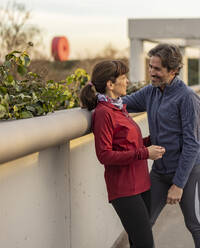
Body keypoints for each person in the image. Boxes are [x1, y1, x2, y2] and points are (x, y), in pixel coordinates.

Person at [123, 44, 200, 248]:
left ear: (173, 71)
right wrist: (96, 101)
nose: (151, 73)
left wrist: (178, 185)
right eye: (150, 67)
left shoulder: (188, 98)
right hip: (160, 172)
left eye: (157, 69)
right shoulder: (151, 92)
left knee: (195, 224)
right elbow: (123, 103)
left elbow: (192, 144)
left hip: (188, 173)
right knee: (140, 225)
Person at [79, 60, 165, 248]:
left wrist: (151, 141)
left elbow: (129, 145)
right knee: (145, 244)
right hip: (125, 189)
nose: (127, 82)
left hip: (142, 184)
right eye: (123, 78)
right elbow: (104, 155)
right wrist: (144, 153)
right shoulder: (104, 113)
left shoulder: (119, 108)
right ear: (110, 84)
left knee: (138, 242)